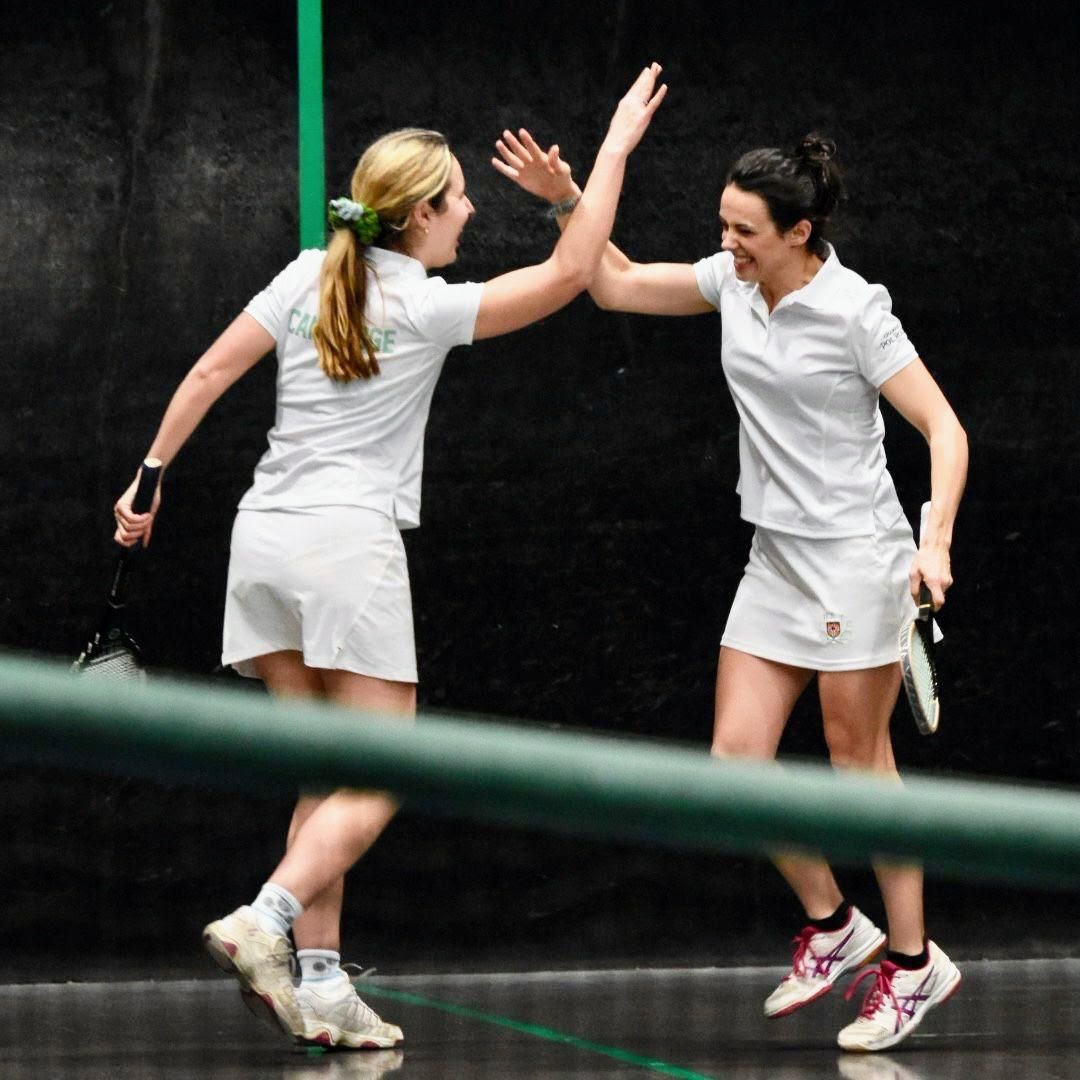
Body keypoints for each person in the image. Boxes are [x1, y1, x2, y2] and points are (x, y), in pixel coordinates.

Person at [112, 63, 668, 1050]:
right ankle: (265, 920)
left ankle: (323, 986)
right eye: (458, 199)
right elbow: (575, 273)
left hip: (262, 542)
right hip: (344, 549)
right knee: (384, 768)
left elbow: (206, 372)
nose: (469, 213)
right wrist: (609, 154)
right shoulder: (425, 307)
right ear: (418, 216)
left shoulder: (305, 274)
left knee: (327, 774)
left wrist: (149, 478)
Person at [493, 128, 968, 1053]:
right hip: (776, 558)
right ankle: (837, 926)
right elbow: (614, 282)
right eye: (723, 224)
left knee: (860, 768)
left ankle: (914, 966)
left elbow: (944, 430)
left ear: (799, 232)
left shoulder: (857, 311)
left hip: (856, 558)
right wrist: (567, 201)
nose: (727, 242)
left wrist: (935, 539)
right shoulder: (732, 284)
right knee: (734, 761)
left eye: (745, 230)